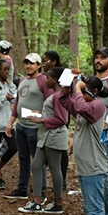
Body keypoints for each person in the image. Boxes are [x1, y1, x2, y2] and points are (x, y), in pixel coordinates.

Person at [58, 76, 108, 215]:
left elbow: (80, 106)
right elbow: (65, 102)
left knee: (96, 211)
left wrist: (79, 90)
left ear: (94, 91)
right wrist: (67, 88)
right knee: (90, 211)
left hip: (94, 167)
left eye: (86, 88)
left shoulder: (97, 106)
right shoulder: (84, 107)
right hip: (85, 167)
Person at [74, 47, 108, 215]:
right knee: (86, 176)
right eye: (96, 57)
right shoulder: (88, 82)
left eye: (103, 58)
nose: (98, 61)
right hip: (88, 136)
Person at [19, 67, 69, 214]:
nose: (45, 80)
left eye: (47, 78)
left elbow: (62, 119)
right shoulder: (54, 95)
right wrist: (40, 114)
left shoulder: (59, 96)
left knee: (55, 168)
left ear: (55, 80)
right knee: (35, 165)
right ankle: (37, 201)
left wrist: (41, 121)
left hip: (55, 136)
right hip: (45, 136)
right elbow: (53, 113)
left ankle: (58, 203)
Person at [4, 53, 52, 200]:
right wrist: (11, 122)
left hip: (35, 127)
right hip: (21, 126)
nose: (28, 66)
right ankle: (22, 188)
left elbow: (50, 102)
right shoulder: (23, 80)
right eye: (26, 63)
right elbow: (18, 102)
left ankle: (40, 191)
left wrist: (43, 123)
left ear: (39, 65)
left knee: (37, 161)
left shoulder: (43, 80)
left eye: (32, 63)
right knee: (23, 158)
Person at [0, 59, 18, 190]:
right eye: (5, 69)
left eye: (9, 70)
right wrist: (3, 98)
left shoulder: (6, 83)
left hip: (7, 122)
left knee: (13, 147)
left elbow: (15, 97)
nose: (7, 72)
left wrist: (10, 83)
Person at [41, 50, 68, 189]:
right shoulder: (47, 81)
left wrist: (42, 120)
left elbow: (62, 118)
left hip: (57, 121)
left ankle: (61, 182)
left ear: (54, 62)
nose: (42, 65)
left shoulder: (63, 81)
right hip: (49, 116)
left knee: (59, 154)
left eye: (45, 62)